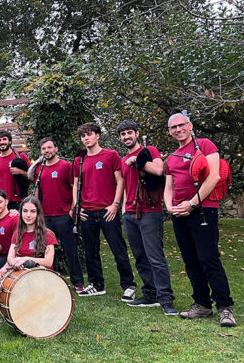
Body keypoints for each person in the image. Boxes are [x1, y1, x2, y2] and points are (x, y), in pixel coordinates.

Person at [164, 113, 235, 326]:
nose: (178, 130)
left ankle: (225, 307)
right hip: (179, 213)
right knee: (191, 261)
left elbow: (214, 176)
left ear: (190, 125)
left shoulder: (204, 145)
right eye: (173, 127)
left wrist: (192, 203)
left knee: (209, 258)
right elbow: (169, 186)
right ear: (169, 132)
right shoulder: (172, 157)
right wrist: (169, 206)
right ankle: (202, 305)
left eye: (181, 125)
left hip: (203, 210)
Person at [118, 120, 176, 315]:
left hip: (150, 212)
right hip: (130, 213)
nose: (126, 137)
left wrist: (139, 162)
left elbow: (160, 170)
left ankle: (166, 299)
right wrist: (125, 211)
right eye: (123, 134)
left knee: (155, 257)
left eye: (129, 133)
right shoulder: (122, 159)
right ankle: (150, 293)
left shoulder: (149, 150)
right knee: (140, 257)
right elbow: (126, 185)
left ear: (137, 133)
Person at [72, 123, 136, 299]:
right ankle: (96, 284)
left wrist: (116, 204)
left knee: (118, 249)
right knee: (91, 252)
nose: (86, 138)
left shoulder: (110, 155)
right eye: (83, 136)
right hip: (87, 213)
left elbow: (120, 180)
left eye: (89, 135)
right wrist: (77, 207)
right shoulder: (80, 160)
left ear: (97, 136)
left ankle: (128, 285)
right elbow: (76, 184)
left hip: (108, 211)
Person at [34, 137, 84, 292]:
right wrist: (36, 211)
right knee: (48, 252)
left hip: (64, 215)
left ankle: (78, 283)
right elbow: (37, 191)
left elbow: (74, 187)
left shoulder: (65, 166)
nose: (46, 151)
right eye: (43, 149)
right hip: (46, 217)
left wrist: (72, 209)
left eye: (49, 148)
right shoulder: (39, 169)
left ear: (56, 149)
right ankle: (52, 280)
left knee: (70, 250)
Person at [0, 197, 57, 277]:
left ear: (38, 213)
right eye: (25, 211)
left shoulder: (48, 234)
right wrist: (13, 263)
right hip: (21, 275)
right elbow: (10, 257)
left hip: (43, 277)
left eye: (32, 211)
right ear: (21, 212)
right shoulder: (17, 233)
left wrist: (25, 259)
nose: (28, 215)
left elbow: (48, 262)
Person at [0, 130, 30, 209]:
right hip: (1, 203)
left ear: (10, 141)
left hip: (19, 201)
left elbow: (32, 177)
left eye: (4, 139)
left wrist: (20, 172)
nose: (2, 142)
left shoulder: (20, 156)